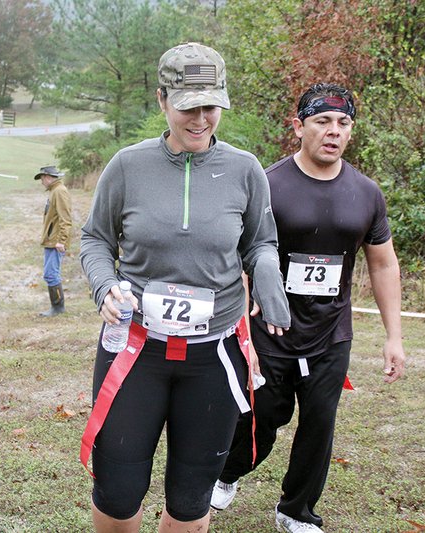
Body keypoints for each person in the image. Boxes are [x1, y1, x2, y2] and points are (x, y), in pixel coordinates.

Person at [79, 42, 290, 533]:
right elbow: (95, 239)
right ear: (161, 100)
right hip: (135, 349)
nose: (200, 119)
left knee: (193, 495)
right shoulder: (128, 167)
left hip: (214, 355)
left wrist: (268, 281)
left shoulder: (245, 169)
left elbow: (260, 243)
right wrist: (105, 285)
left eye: (210, 106)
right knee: (118, 489)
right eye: (187, 107)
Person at [212, 83, 406, 533]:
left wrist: (394, 337)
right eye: (322, 121)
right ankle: (228, 472)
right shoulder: (268, 184)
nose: (333, 131)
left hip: (331, 334)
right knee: (262, 415)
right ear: (299, 127)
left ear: (351, 132)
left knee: (320, 424)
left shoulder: (366, 193)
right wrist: (243, 329)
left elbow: (383, 264)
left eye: (343, 123)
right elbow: (238, 264)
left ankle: (296, 510)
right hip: (269, 330)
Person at [35, 165, 72, 317]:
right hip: (52, 240)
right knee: (50, 273)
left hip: (56, 242)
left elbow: (66, 218)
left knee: (51, 274)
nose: (42, 182)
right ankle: (56, 307)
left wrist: (61, 241)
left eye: (42, 178)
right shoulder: (54, 191)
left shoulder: (59, 191)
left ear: (48, 177)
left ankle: (58, 308)